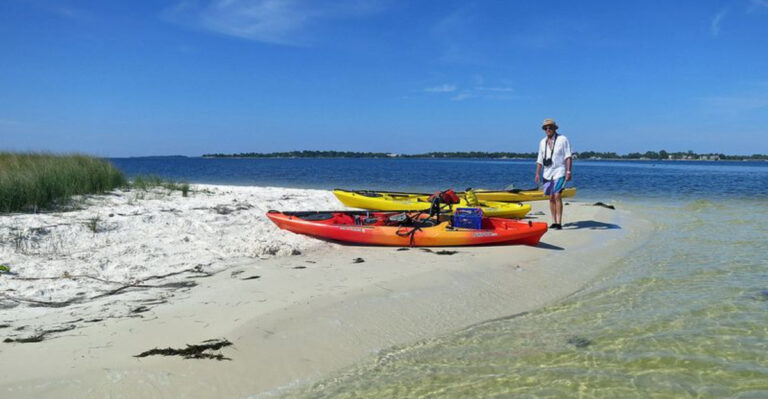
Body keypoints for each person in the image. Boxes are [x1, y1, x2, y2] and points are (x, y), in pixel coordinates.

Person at [534, 118, 572, 230]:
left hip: (559, 171)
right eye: (546, 128)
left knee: (557, 195)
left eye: (550, 127)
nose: (548, 129)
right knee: (551, 197)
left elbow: (568, 156)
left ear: (555, 128)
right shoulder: (542, 142)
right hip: (547, 173)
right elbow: (540, 159)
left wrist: (568, 171)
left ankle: (559, 222)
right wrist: (537, 173)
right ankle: (553, 221)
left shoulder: (562, 139)